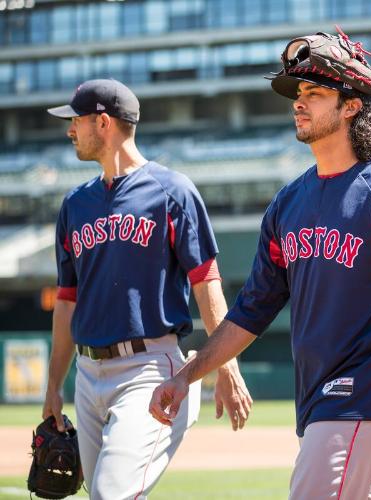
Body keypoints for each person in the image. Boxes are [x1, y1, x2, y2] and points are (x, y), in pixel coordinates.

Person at [149, 30, 371, 499]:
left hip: (360, 401)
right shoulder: (288, 203)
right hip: (316, 406)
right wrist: (188, 375)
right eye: (299, 93)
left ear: (351, 106)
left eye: (316, 93)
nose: (299, 103)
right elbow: (251, 311)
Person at [43, 78, 252, 500]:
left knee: (111, 493)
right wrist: (53, 386)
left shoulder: (171, 191)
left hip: (149, 371)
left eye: (76, 120)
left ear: (103, 123)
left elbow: (206, 283)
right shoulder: (75, 204)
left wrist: (226, 369)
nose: (70, 130)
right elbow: (67, 302)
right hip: (87, 375)